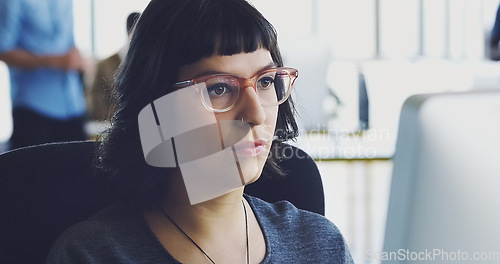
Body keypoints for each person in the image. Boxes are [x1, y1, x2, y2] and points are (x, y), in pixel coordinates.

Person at [46, 0, 353, 263]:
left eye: (265, 81)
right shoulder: (93, 255)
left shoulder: (320, 245)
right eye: (219, 88)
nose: (256, 113)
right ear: (157, 108)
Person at [0, 0, 87, 150]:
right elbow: (3, 50)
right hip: (33, 108)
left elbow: (68, 43)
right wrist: (53, 61)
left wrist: (80, 60)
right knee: (34, 171)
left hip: (73, 105)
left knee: (81, 169)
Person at [87, 12, 141, 121]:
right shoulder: (104, 65)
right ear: (130, 33)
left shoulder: (147, 65)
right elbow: (95, 107)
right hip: (110, 127)